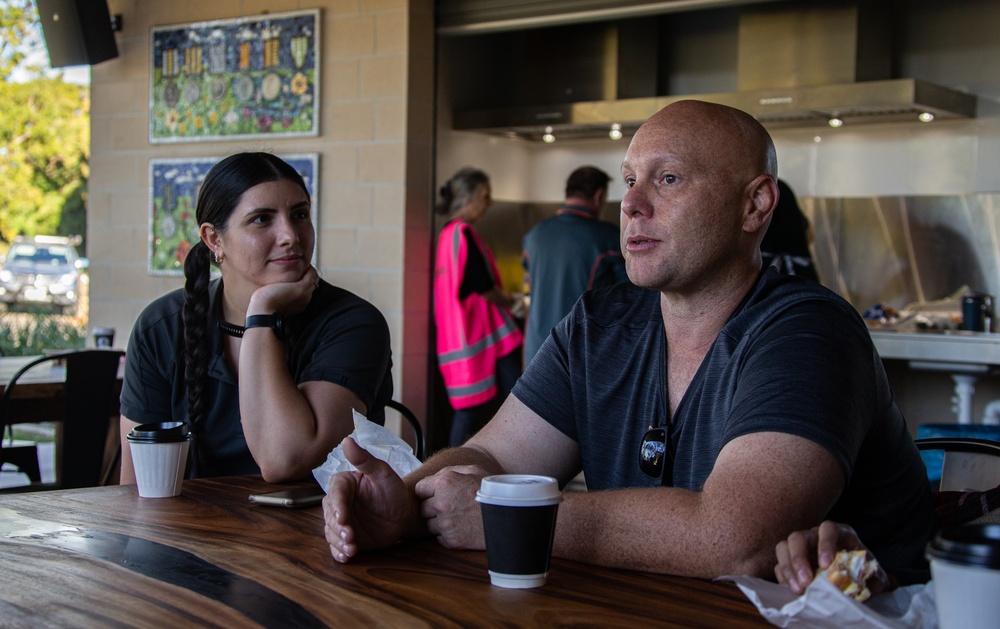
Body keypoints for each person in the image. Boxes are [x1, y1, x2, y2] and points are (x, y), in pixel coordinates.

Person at [323, 100, 934, 581]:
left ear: (756, 205)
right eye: (629, 180)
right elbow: (497, 459)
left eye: (668, 179)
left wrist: (504, 517)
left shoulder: (808, 331)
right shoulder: (600, 325)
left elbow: (737, 540)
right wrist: (402, 504)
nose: (632, 205)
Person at [119, 152, 393, 483]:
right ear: (214, 239)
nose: (290, 235)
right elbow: (137, 487)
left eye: (300, 214)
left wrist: (262, 311)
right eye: (262, 219)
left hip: (324, 529)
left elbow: (285, 458)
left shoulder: (354, 324)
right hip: (188, 530)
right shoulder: (161, 328)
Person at [433, 167, 523, 447]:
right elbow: (482, 286)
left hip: (461, 339)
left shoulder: (448, 235)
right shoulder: (463, 233)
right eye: (485, 196)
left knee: (472, 410)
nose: (489, 202)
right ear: (468, 198)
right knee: (518, 402)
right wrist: (512, 301)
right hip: (480, 336)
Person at [520, 166, 628, 364]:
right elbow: (631, 295)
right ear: (599, 195)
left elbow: (528, 280)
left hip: (535, 352)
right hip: (581, 354)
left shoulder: (534, 235)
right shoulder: (609, 238)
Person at [760, 179, 819, 282]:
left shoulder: (755, 191)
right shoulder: (781, 187)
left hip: (767, 275)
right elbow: (810, 235)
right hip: (802, 275)